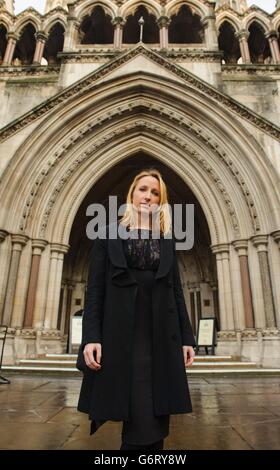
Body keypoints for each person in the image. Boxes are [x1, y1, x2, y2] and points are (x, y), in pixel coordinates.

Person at [77, 168, 196, 451]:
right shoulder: (107, 235)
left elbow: (176, 292)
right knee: (139, 408)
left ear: (161, 201)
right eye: (143, 189)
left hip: (161, 334)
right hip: (121, 334)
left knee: (156, 411)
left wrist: (187, 338)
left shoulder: (167, 240)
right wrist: (91, 337)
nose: (148, 196)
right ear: (132, 194)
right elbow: (95, 291)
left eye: (155, 193)